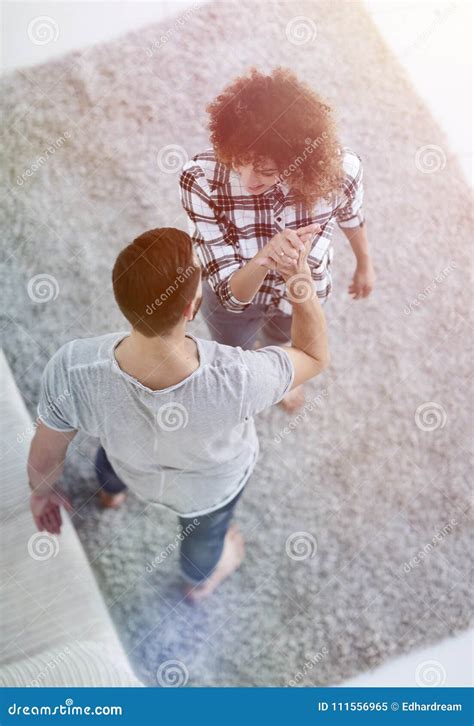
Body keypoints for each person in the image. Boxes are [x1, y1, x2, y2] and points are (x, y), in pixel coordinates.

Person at [27, 226, 329, 602]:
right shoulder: (239, 377)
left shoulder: (72, 367)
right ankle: (198, 581)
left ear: (122, 298)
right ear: (190, 308)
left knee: (109, 458)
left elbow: (47, 450)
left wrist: (41, 494)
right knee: (206, 537)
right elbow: (314, 356)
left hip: (130, 464)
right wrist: (299, 280)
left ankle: (110, 495)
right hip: (207, 492)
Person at [179, 66, 375, 412]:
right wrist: (265, 258)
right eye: (239, 161)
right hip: (233, 304)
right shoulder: (200, 180)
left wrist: (365, 263)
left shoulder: (342, 171)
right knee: (234, 354)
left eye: (267, 171)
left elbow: (351, 217)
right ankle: (253, 384)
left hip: (300, 293)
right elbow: (230, 297)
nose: (248, 179)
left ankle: (283, 378)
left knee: (284, 340)